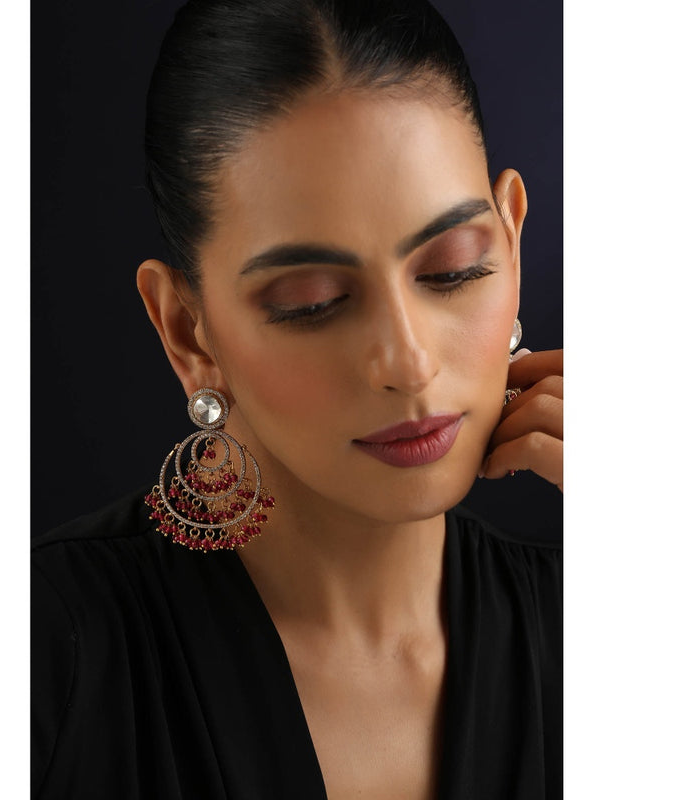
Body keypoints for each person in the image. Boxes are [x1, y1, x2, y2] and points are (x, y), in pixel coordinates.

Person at [31, 0, 563, 797]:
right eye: (313, 303)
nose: (409, 362)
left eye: (452, 269)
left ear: (512, 244)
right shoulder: (39, 658)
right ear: (186, 332)